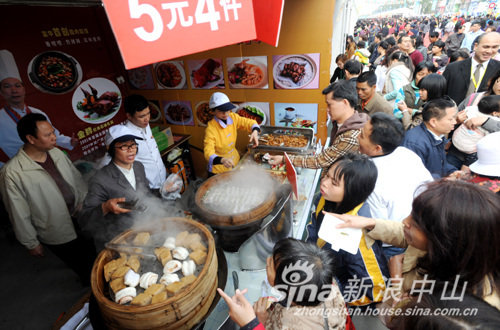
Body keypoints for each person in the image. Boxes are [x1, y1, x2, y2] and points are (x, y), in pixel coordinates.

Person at [332, 180, 500, 310]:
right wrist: (369, 222)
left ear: (445, 239)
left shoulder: (462, 300)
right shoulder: (445, 249)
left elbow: (400, 316)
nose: (405, 221)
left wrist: (396, 279)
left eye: (416, 223)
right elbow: (404, 233)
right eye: (411, 215)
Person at [0, 113, 95, 286]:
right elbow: (17, 212)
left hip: (79, 215)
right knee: (79, 263)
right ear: (31, 138)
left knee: (92, 252)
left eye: (53, 132)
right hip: (55, 227)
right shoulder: (12, 173)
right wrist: (31, 243)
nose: (54, 137)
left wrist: (82, 201)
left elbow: (75, 178)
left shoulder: (56, 152)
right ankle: (90, 288)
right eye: (48, 135)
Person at [306, 153, 390, 306]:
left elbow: (376, 290)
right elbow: (314, 227)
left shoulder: (359, 237)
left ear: (353, 190)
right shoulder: (326, 199)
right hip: (323, 267)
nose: (324, 183)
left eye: (334, 183)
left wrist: (331, 297)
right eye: (327, 175)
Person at [357, 113, 433, 257]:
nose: (357, 137)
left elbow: (375, 224)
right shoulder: (406, 153)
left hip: (391, 244)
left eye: (361, 135)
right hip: (418, 233)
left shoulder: (369, 178)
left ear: (377, 148)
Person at [268, 81, 369, 172]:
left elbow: (320, 161)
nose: (327, 109)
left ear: (344, 103)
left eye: (329, 105)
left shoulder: (351, 136)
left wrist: (283, 159)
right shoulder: (347, 122)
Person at [0, 49, 78, 168]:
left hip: (51, 159)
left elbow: (53, 134)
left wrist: (69, 142)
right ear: (1, 92)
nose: (14, 90)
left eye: (17, 86)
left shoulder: (37, 112)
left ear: (24, 89)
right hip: (25, 168)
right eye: (7, 87)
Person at [79, 125, 152, 252]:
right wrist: (105, 207)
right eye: (124, 146)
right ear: (110, 148)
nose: (131, 150)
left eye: (133, 145)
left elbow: (145, 194)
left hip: (141, 231)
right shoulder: (100, 180)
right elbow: (84, 220)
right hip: (118, 240)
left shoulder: (138, 166)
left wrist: (164, 191)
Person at [253, 238, 347, 329]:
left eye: (272, 265)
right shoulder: (325, 283)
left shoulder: (288, 324)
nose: (268, 260)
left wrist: (261, 323)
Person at [98, 94, 167, 193]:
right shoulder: (125, 136)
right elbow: (106, 162)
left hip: (162, 178)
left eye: (148, 113)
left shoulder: (145, 124)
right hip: (148, 187)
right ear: (129, 116)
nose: (147, 118)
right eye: (142, 116)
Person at [204, 92, 260, 176]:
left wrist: (255, 131)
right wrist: (222, 160)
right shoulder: (211, 128)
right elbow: (208, 152)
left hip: (235, 161)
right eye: (221, 111)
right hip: (219, 169)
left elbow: (250, 122)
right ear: (213, 111)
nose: (225, 113)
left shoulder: (233, 117)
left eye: (227, 110)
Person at [401, 98, 458, 178]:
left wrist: (453, 172)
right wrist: (443, 181)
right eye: (450, 119)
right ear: (433, 122)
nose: (455, 122)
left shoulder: (437, 137)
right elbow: (413, 176)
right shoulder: (414, 144)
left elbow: (439, 164)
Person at [443, 32, 500, 106]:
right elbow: (442, 94)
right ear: (475, 46)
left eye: (494, 47)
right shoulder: (453, 67)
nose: (489, 51)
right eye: (486, 47)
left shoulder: (498, 69)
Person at [448, 95, 500, 169]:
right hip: (470, 150)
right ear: (494, 113)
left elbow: (458, 114)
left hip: (456, 140)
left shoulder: (471, 109)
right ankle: (463, 174)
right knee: (465, 171)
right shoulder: (495, 119)